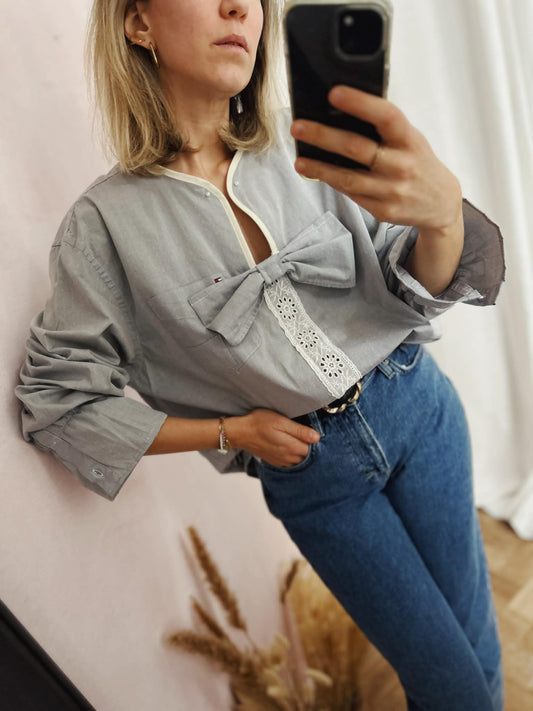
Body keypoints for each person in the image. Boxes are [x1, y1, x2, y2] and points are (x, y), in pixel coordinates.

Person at [16, 1, 505, 708]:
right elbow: (58, 401)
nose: (239, 7)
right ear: (138, 22)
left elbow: (411, 284)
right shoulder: (103, 229)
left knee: (477, 650)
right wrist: (229, 432)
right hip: (317, 481)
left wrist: (441, 219)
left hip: (420, 409)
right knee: (447, 682)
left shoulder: (309, 145)